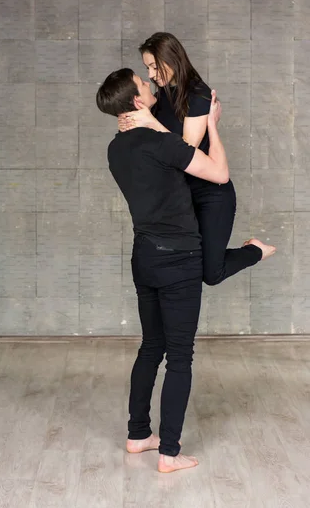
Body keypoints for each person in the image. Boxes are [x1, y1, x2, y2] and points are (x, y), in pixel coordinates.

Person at [96, 68, 229, 473]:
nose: (151, 84)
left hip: (144, 257)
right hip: (179, 259)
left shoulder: (115, 149)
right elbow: (219, 174)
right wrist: (212, 127)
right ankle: (170, 452)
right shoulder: (161, 145)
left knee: (151, 348)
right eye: (144, 83)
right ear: (137, 102)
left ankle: (139, 435)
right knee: (180, 358)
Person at [118, 32, 276, 286]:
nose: (150, 74)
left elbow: (185, 149)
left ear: (171, 59)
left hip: (212, 194)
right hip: (183, 196)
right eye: (146, 68)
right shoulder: (162, 98)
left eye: (154, 66)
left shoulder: (198, 95)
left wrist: (149, 121)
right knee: (190, 263)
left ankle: (256, 250)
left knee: (210, 274)